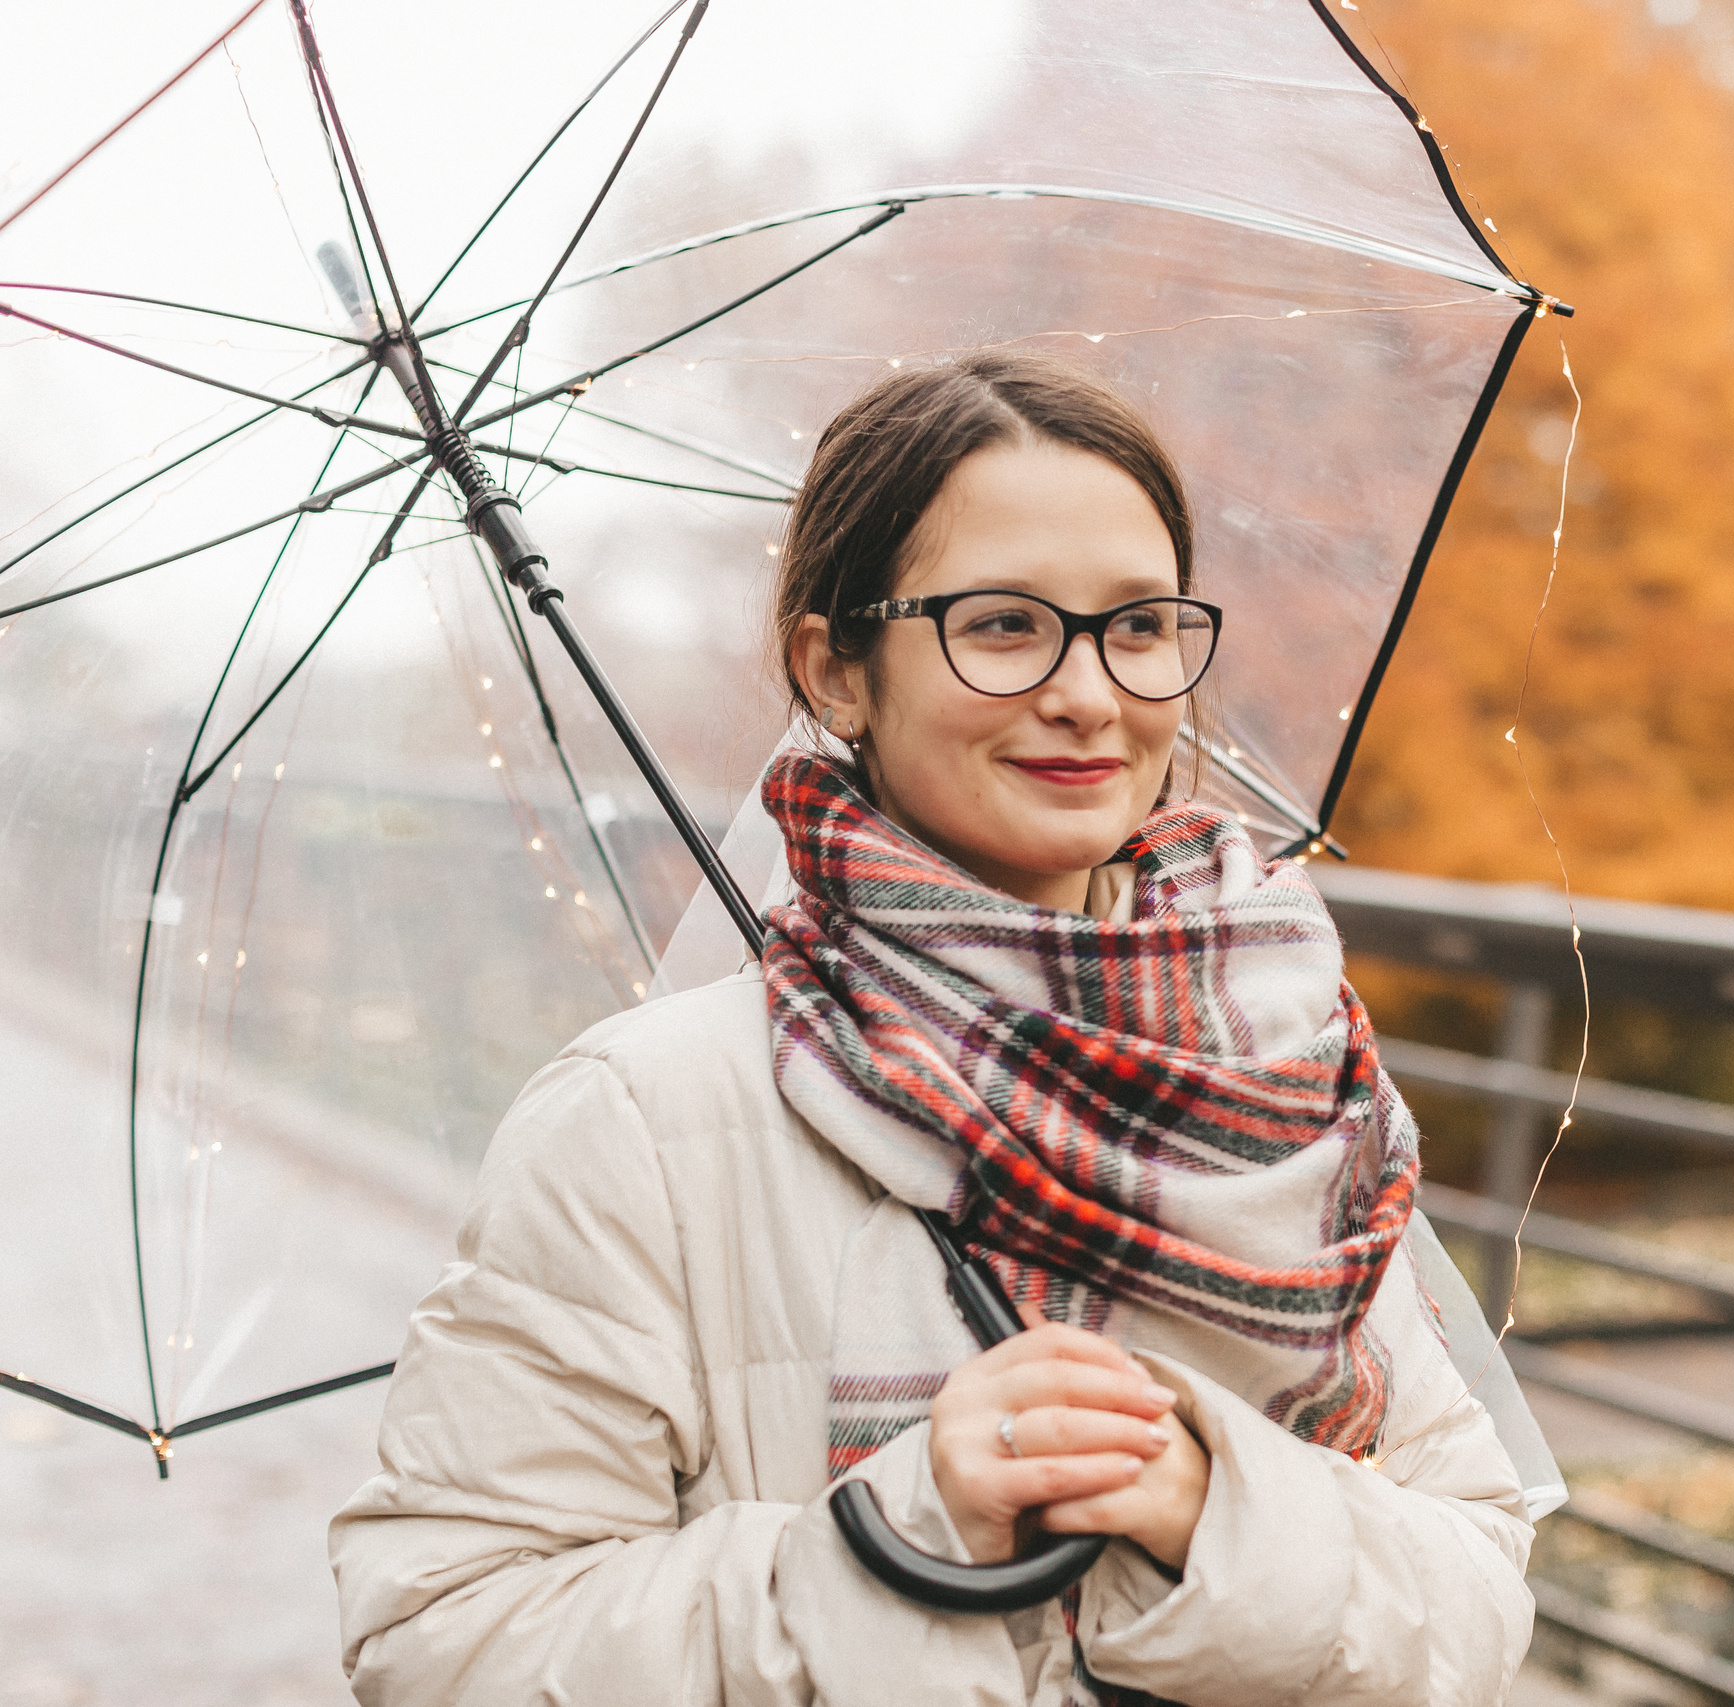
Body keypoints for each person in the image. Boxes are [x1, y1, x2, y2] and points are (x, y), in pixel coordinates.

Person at [329, 354, 1536, 1705]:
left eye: (1138, 625)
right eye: (1006, 624)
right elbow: (445, 1641)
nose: (1091, 691)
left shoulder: (1284, 1070)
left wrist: (1212, 1508)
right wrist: (908, 1531)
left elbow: (1478, 1589)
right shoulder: (645, 1118)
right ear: (833, 668)